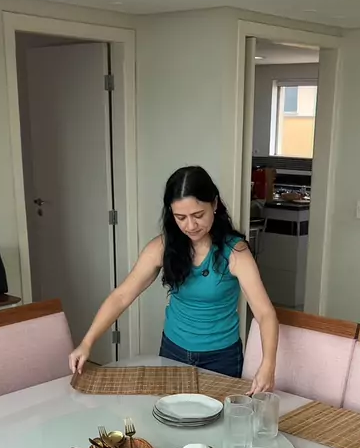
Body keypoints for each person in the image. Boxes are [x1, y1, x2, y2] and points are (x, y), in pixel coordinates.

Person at [69, 166, 278, 393]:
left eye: (198, 215)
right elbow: (121, 296)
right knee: (169, 413)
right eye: (181, 217)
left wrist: (268, 365)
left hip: (221, 358)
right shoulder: (162, 247)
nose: (190, 226)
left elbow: (265, 313)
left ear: (215, 204)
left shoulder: (235, 253)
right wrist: (87, 342)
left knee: (218, 415)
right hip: (173, 351)